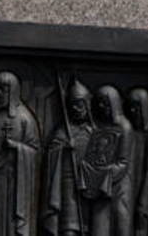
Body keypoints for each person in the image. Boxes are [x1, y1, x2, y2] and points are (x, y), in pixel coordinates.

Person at [0, 70, 40, 236]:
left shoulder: (25, 118)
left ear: (14, 91)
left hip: (14, 181)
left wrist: (17, 147)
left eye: (4, 89)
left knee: (9, 223)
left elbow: (35, 151)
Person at [43, 78, 92, 236]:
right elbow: (51, 152)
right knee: (69, 230)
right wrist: (63, 147)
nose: (76, 108)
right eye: (73, 105)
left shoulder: (93, 131)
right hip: (68, 187)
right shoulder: (63, 131)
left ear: (87, 104)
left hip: (89, 188)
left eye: (80, 104)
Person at [80, 86, 132, 236]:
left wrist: (103, 172)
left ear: (114, 103)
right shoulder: (99, 125)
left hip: (118, 187)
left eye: (105, 103)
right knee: (98, 228)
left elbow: (123, 163)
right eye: (100, 103)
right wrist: (88, 167)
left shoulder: (125, 127)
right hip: (100, 186)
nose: (102, 106)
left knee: (120, 225)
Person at [124, 91, 148, 236]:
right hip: (126, 184)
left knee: (139, 224)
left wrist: (144, 198)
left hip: (139, 185)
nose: (132, 111)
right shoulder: (126, 130)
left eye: (136, 107)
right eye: (130, 107)